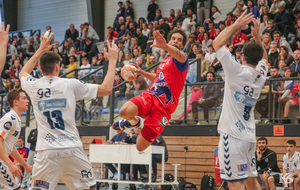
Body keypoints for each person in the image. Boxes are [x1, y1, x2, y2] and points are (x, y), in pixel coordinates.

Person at [20, 33, 118, 190]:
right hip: (72, 149)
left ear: (40, 67)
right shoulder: (71, 84)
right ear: (58, 67)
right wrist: (112, 61)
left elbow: (22, 73)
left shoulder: (33, 85)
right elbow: (106, 89)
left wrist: (39, 50)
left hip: (46, 152)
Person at [213, 11, 268, 190]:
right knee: (251, 181)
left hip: (233, 136)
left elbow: (217, 43)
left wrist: (236, 26)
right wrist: (258, 38)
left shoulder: (235, 71)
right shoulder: (260, 75)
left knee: (234, 183)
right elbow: (265, 60)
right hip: (249, 137)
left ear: (242, 57)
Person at [113, 29, 189, 151]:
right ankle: (133, 122)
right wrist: (141, 72)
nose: (176, 41)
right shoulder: (164, 61)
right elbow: (159, 78)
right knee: (123, 112)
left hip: (164, 108)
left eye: (179, 40)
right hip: (151, 95)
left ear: (182, 45)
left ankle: (141, 124)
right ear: (169, 40)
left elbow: (178, 54)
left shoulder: (182, 58)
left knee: (139, 147)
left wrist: (165, 46)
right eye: (173, 38)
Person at [0, 88, 32, 190]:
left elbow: (11, 147)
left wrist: (25, 165)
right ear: (16, 102)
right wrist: (10, 164)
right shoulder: (10, 118)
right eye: (24, 98)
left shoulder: (16, 120)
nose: (27, 101)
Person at [21, 124, 38, 188]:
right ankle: (24, 182)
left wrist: (33, 139)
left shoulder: (42, 131)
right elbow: (28, 140)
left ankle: (35, 183)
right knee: (28, 165)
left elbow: (38, 140)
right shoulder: (32, 131)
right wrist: (34, 139)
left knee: (39, 167)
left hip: (39, 151)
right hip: (32, 150)